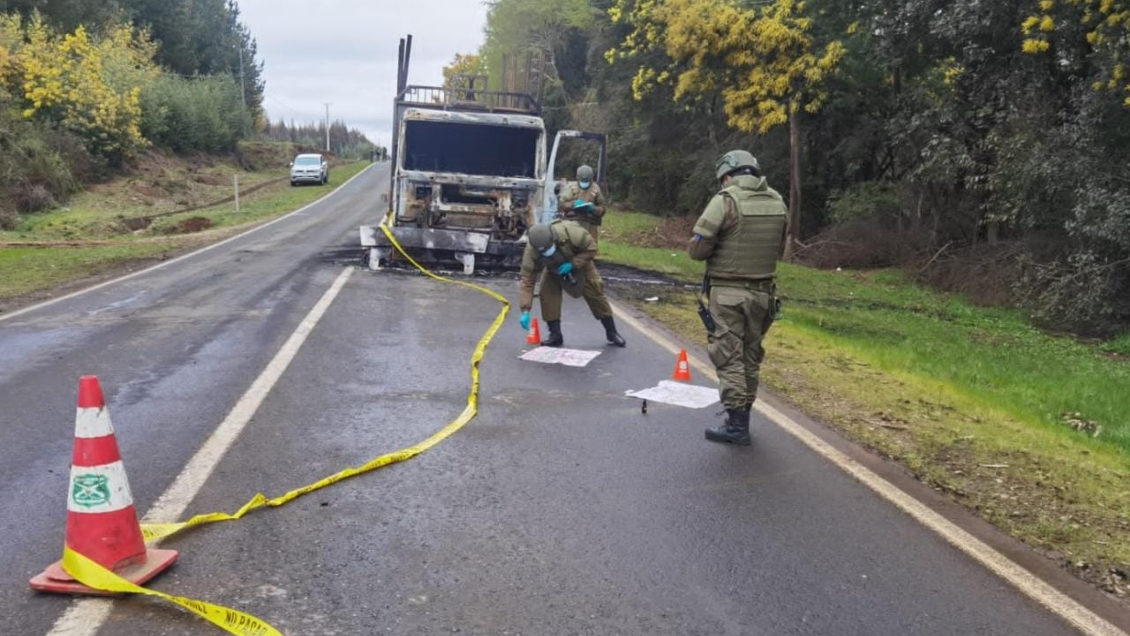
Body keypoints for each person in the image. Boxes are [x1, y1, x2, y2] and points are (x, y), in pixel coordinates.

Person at [687, 150, 788, 446]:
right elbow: (779, 245)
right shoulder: (777, 201)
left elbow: (697, 250)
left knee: (728, 356)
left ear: (727, 176)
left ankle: (737, 425)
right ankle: (743, 415)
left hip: (729, 293)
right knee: (750, 356)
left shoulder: (726, 200)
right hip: (764, 294)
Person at [518, 219, 626, 348]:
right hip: (553, 269)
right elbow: (527, 281)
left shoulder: (572, 233)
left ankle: (611, 332)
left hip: (581, 262)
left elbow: (591, 248)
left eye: (549, 248)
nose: (547, 252)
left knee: (595, 292)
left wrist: (573, 264)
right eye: (543, 251)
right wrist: (525, 310)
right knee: (547, 294)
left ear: (554, 239)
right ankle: (555, 335)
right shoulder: (531, 251)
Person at [557, 165, 606, 244]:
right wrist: (573, 204)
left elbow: (602, 208)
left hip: (590, 224)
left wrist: (593, 208)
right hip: (573, 222)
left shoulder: (596, 189)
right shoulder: (571, 188)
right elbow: (561, 205)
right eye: (582, 181)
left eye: (587, 181)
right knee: (572, 244)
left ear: (591, 179)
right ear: (578, 179)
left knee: (590, 246)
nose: (584, 183)